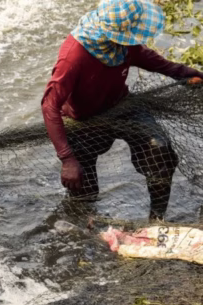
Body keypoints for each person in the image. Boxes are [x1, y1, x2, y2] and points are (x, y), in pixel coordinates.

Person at [42, 0, 203, 221]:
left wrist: (184, 73)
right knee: (82, 188)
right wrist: (67, 159)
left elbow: (147, 58)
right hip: (83, 120)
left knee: (160, 151)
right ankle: (86, 228)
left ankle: (156, 219)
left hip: (122, 105)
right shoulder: (74, 56)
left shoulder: (122, 43)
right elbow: (49, 106)